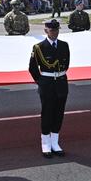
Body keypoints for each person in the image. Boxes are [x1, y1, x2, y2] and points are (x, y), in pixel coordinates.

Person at [29, 19, 70, 158]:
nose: (55, 33)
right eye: (52, 31)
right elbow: (32, 68)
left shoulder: (64, 45)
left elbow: (66, 65)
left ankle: (55, 143)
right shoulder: (39, 47)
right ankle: (45, 143)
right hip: (47, 83)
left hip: (61, 82)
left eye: (57, 30)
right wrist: (41, 82)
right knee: (47, 113)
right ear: (46, 31)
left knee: (59, 113)